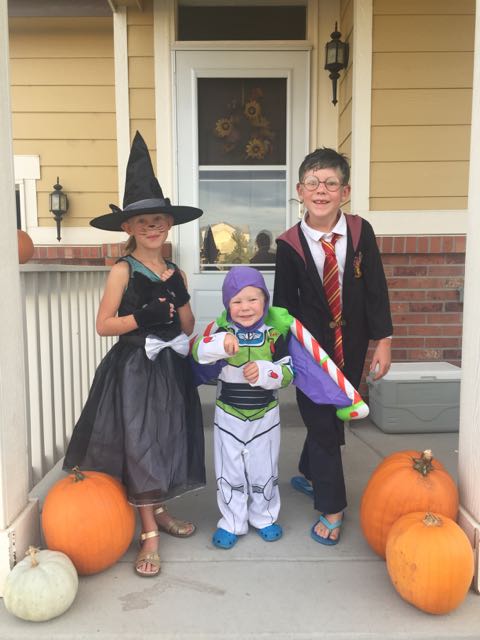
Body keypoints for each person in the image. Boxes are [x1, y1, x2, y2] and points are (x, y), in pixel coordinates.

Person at [63, 132, 206, 577]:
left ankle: (158, 509)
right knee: (141, 443)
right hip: (133, 371)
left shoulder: (176, 271)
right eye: (142, 221)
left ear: (169, 223)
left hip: (169, 369)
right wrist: (141, 316)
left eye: (158, 219)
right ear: (128, 228)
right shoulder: (122, 271)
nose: (152, 227)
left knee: (166, 438)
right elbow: (104, 325)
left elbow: (188, 327)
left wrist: (181, 298)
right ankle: (149, 534)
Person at [273, 147, 392, 545]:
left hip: (352, 343)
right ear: (300, 191)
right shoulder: (289, 244)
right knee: (322, 422)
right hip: (310, 351)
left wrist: (383, 342)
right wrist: (282, 358)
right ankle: (332, 506)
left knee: (334, 413)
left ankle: (310, 472)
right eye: (312, 183)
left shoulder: (360, 232)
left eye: (330, 183)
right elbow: (283, 305)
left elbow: (376, 290)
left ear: (345, 191)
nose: (320, 190)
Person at [192, 266, 294, 549]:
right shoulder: (222, 331)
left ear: (265, 301)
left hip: (265, 418)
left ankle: (264, 516)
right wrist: (218, 343)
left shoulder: (274, 336)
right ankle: (232, 521)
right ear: (227, 305)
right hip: (229, 417)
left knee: (264, 471)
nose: (245, 307)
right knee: (230, 473)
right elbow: (197, 352)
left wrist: (265, 371)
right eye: (236, 301)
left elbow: (288, 373)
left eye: (252, 299)